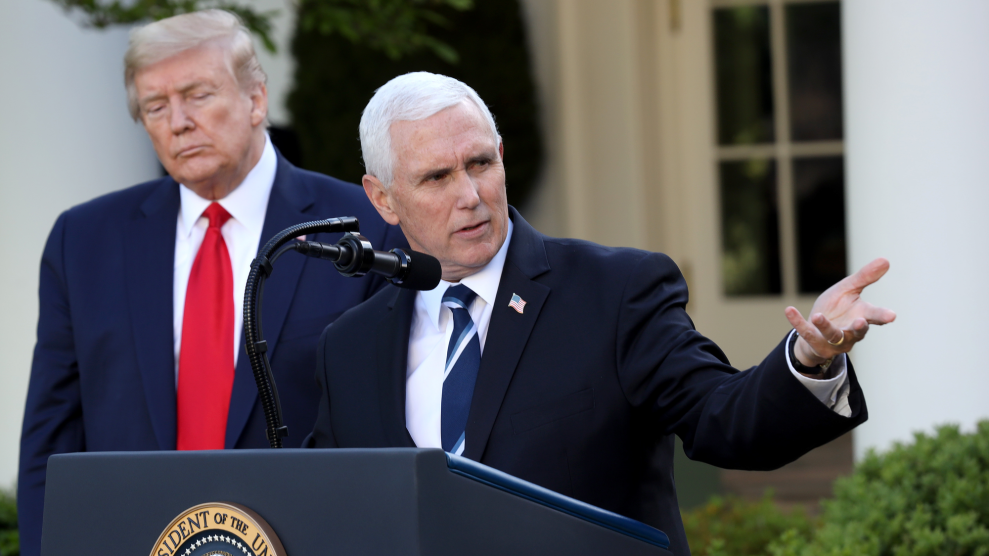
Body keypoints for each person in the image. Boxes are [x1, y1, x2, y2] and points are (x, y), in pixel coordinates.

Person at [305, 72, 896, 555]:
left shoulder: (616, 291)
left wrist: (809, 358)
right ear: (382, 198)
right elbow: (327, 509)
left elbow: (725, 420)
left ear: (502, 157)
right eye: (437, 176)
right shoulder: (350, 346)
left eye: (481, 163)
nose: (471, 194)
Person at [17, 10, 406, 556]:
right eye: (156, 106)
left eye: (198, 95)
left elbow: (389, 430)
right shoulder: (82, 242)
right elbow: (49, 441)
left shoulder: (361, 227)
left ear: (256, 100)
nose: (178, 121)